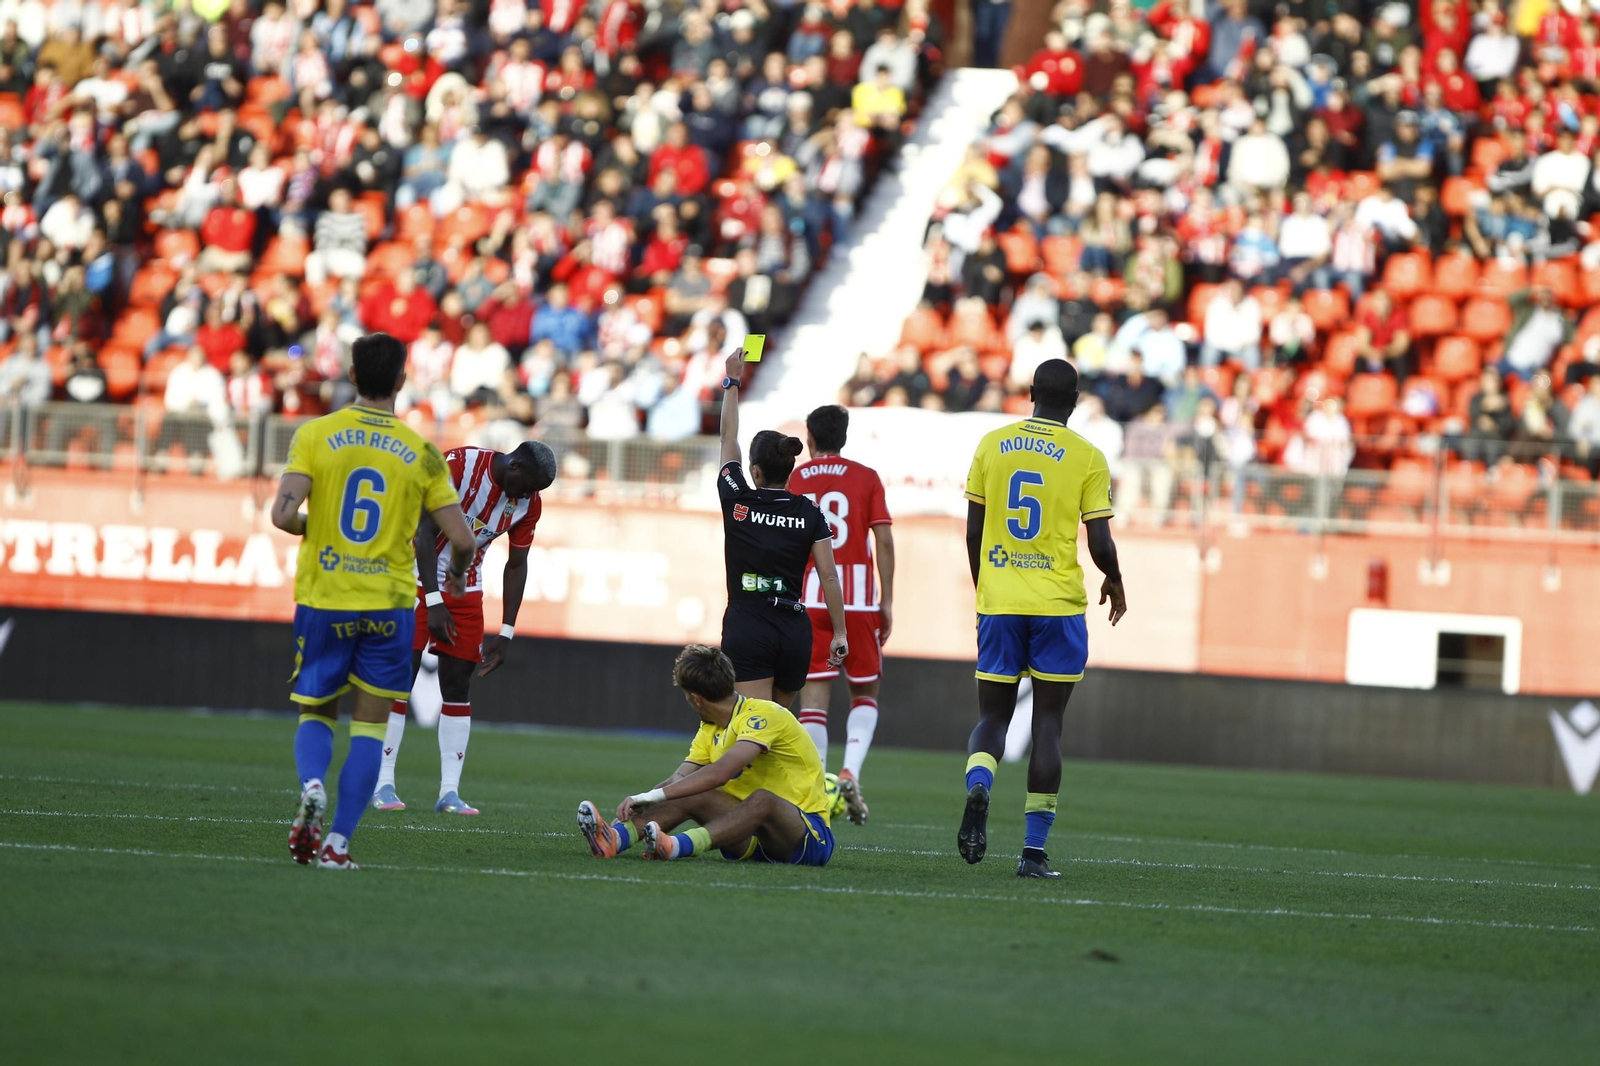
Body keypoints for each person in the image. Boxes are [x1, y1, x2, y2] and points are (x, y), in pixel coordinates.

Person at [269, 332, 476, 871]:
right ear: (402, 381)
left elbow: (282, 515)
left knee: (316, 710)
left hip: (325, 597)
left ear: (353, 377)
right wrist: (453, 580)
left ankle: (313, 783)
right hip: (388, 606)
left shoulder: (316, 435)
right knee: (369, 724)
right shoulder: (424, 453)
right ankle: (338, 844)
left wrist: (319, 529)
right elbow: (463, 540)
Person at [959, 359, 1127, 879]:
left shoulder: (992, 443)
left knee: (993, 718)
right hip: (1057, 606)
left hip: (1001, 600)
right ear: (1075, 401)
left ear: (1030, 392)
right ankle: (1033, 853)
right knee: (1048, 725)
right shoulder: (1087, 456)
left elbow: (973, 532)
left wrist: (986, 585)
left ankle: (980, 784)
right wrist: (1116, 579)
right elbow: (1099, 540)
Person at [371, 441, 558, 816]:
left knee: (458, 685)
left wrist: (506, 631)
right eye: (528, 486)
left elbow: (517, 564)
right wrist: (434, 601)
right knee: (398, 678)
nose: (529, 496)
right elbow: (424, 532)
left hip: (465, 588)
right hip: (411, 579)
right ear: (516, 466)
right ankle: (382, 783)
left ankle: (449, 793)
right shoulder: (459, 464)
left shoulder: (528, 503)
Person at [574, 644, 835, 865]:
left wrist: (650, 796)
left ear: (696, 698)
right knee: (689, 789)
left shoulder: (764, 715)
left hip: (808, 837)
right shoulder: (709, 727)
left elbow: (721, 772)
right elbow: (679, 780)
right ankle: (613, 839)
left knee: (763, 800)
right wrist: (645, 802)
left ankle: (677, 846)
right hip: (748, 834)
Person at [715, 347, 848, 709]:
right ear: (789, 470)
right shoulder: (809, 512)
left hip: (748, 624)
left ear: (754, 471)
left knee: (753, 728)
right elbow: (829, 577)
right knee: (774, 730)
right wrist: (839, 632)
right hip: (793, 629)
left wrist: (733, 382)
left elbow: (728, 440)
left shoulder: (738, 501)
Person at [786, 405, 894, 823]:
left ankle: (817, 786)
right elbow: (883, 541)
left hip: (812, 596)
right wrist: (886, 599)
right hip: (860, 598)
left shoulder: (796, 478)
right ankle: (850, 769)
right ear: (844, 437)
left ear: (809, 438)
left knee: (813, 695)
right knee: (864, 692)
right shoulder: (866, 477)